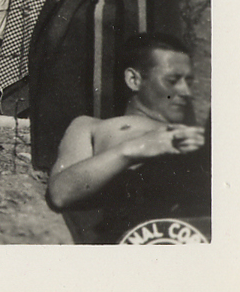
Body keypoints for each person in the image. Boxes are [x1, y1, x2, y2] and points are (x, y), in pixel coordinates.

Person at [47, 33, 209, 243]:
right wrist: (136, 149)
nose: (186, 91)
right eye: (172, 80)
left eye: (189, 81)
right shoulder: (88, 126)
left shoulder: (191, 135)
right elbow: (61, 193)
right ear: (134, 80)